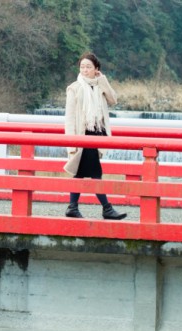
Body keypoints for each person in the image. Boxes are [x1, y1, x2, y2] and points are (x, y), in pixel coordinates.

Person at [62, 52, 127, 220]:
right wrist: (71, 144)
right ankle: (107, 208)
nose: (85, 70)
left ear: (96, 69)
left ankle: (72, 207)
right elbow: (69, 119)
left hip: (97, 135)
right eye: (82, 67)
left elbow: (114, 100)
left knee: (80, 173)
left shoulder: (99, 87)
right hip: (83, 137)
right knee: (95, 173)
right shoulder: (74, 88)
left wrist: (102, 79)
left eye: (88, 67)